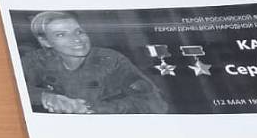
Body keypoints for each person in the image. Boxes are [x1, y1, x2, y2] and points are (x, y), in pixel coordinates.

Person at [20, 12, 168, 114]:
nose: (77, 39)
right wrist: (46, 97)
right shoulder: (38, 60)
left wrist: (90, 108)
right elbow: (13, 87)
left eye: (79, 32)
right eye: (61, 35)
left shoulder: (111, 61)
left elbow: (155, 104)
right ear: (45, 42)